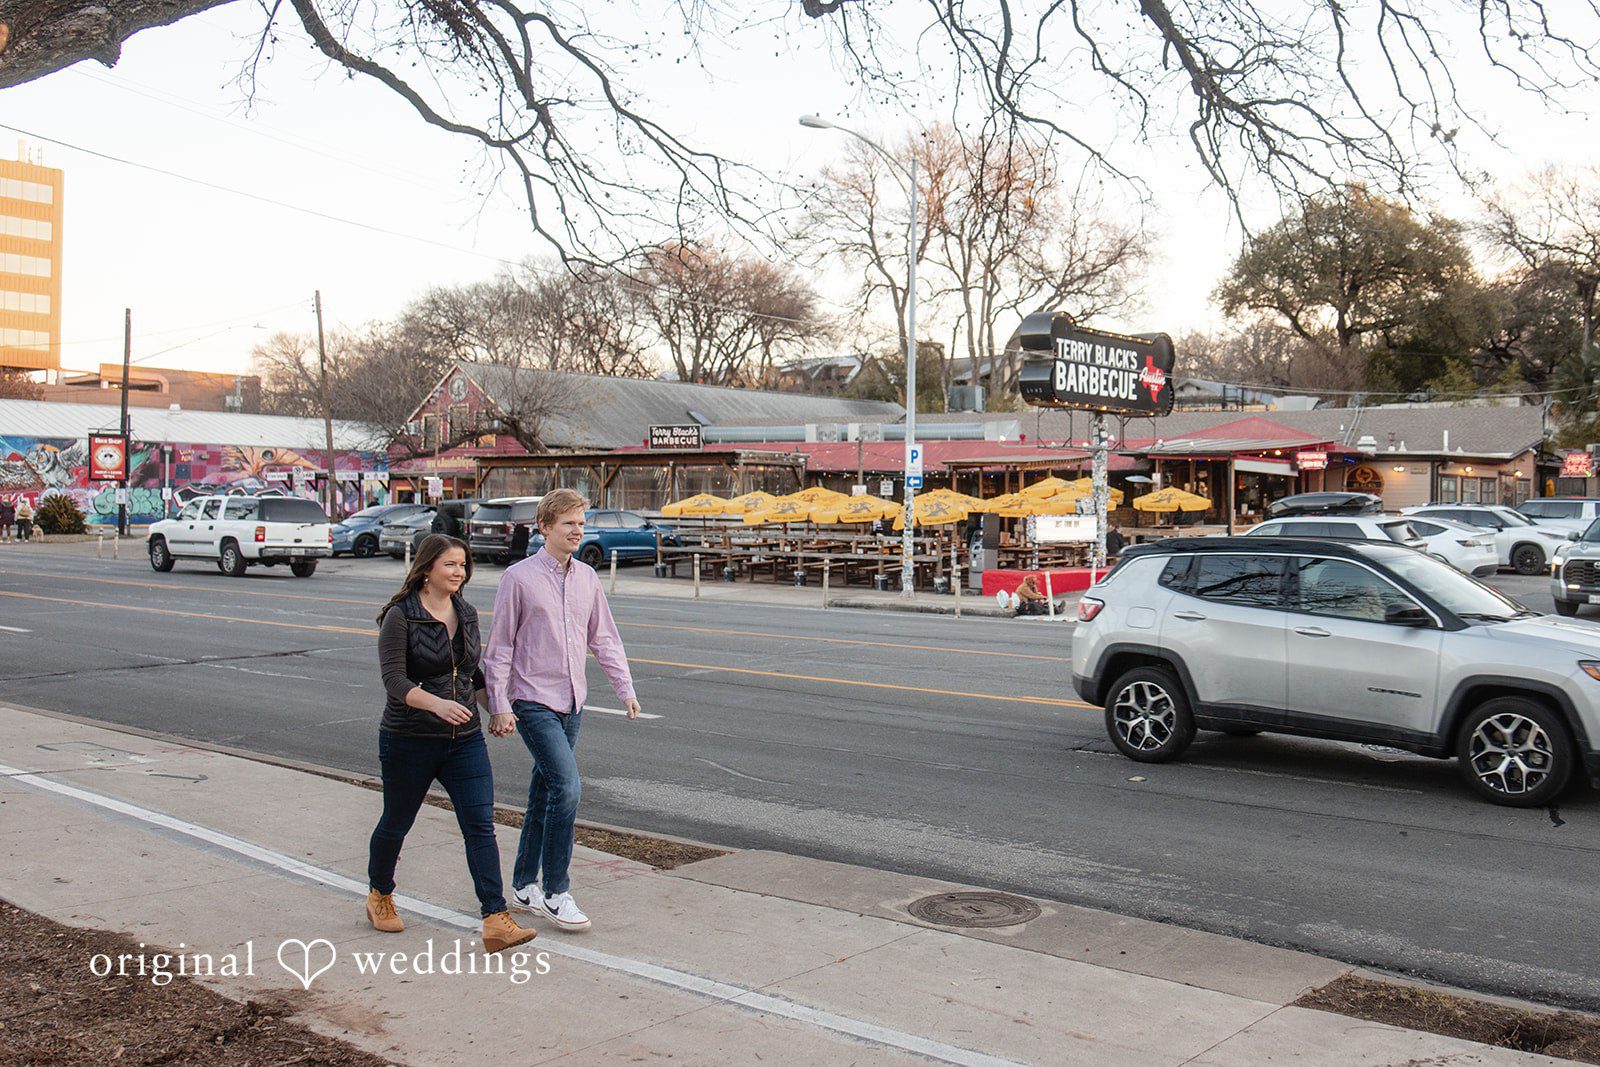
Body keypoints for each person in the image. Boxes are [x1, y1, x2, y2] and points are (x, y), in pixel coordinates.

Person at [368, 534, 537, 954]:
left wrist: (496, 709)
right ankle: (380, 894)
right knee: (396, 823)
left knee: (480, 824)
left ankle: (495, 918)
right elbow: (394, 682)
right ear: (427, 569)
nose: (459, 572)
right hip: (410, 738)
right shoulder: (400, 616)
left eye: (463, 565)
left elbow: (472, 674)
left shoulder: (466, 611)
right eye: (450, 565)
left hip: (464, 741)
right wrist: (438, 706)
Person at [484, 488, 641, 932]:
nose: (578, 530)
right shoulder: (518, 577)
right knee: (567, 789)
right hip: (532, 699)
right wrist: (499, 704)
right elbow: (499, 648)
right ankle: (555, 890)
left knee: (544, 792)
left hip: (573, 702)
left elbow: (604, 638)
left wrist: (624, 689)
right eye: (569, 523)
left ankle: (522, 884)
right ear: (545, 528)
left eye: (581, 522)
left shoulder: (588, 578)